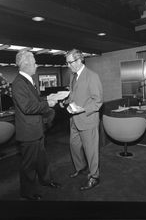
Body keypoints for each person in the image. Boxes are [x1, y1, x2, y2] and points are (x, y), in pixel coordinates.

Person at [12, 51, 61, 201]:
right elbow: (27, 107)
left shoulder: (27, 81)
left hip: (36, 129)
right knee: (29, 164)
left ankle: (46, 180)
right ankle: (27, 192)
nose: (36, 65)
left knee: (41, 159)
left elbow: (35, 100)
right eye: (34, 62)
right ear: (26, 64)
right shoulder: (19, 83)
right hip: (28, 132)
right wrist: (48, 104)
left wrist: (48, 98)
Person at [61, 49, 103, 190]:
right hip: (74, 119)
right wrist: (65, 101)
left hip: (87, 119)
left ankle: (94, 176)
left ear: (79, 60)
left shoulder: (92, 76)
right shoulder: (73, 76)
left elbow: (98, 101)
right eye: (67, 62)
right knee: (74, 146)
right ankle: (81, 167)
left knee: (90, 150)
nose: (68, 65)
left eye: (70, 62)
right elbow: (73, 94)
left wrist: (83, 109)